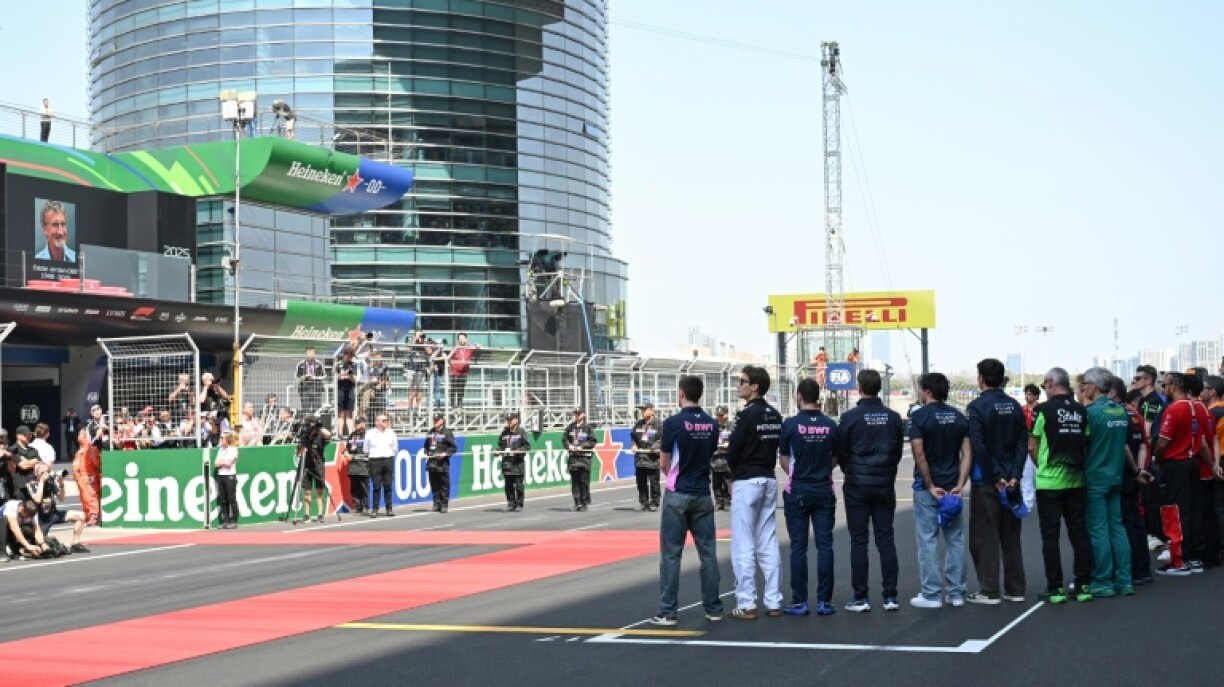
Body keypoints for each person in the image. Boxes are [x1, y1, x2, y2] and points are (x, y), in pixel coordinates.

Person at [648, 376, 724, 626]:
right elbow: (711, 455)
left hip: (678, 492)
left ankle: (668, 611)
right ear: (700, 394)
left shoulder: (673, 423)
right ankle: (713, 608)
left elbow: (663, 462)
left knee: (671, 554)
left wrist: (672, 478)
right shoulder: (713, 425)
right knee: (708, 554)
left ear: (681, 393)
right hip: (703, 492)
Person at [834, 369, 904, 613]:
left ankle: (861, 597)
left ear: (859, 387)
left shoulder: (850, 417)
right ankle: (890, 596)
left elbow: (841, 450)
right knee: (885, 539)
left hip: (857, 483)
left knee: (859, 540)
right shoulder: (893, 417)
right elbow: (896, 452)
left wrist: (850, 469)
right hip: (884, 481)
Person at [966, 358, 1029, 604]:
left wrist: (996, 477)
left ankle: (989, 590)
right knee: (1011, 537)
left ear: (981, 377)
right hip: (1012, 480)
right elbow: (1022, 441)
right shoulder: (1014, 406)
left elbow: (979, 446)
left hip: (988, 481)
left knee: (985, 536)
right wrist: (1014, 475)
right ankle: (1015, 589)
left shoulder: (977, 406)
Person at [1029, 367, 1094, 602]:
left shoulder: (1043, 410)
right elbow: (1086, 441)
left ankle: (1055, 588)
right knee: (1079, 532)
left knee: (1050, 536)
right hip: (1077, 480)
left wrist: (1043, 468)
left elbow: (1032, 446)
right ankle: (1084, 585)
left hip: (1049, 483)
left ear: (1049, 383)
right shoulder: (1081, 410)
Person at [907, 373, 971, 608]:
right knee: (955, 539)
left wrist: (929, 484)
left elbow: (919, 453)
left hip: (929, 488)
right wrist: (961, 484)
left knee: (928, 539)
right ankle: (956, 593)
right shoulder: (958, 417)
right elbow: (967, 453)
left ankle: (932, 594)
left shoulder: (919, 416)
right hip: (952, 487)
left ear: (926, 391)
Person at [726, 364, 784, 619]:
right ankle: (773, 601)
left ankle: (747, 603)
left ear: (755, 387)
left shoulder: (745, 415)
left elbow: (733, 450)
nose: (739, 385)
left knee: (743, 543)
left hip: (747, 481)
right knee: (768, 542)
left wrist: (732, 476)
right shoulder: (774, 414)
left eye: (743, 381)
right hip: (769, 479)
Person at [779, 379, 839, 617]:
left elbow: (783, 458)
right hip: (824, 489)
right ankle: (824, 601)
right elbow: (835, 458)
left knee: (798, 547)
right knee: (825, 546)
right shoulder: (831, 424)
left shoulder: (791, 424)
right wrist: (822, 471)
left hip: (799, 491)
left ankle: (800, 601)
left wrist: (796, 475)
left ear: (799, 396)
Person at [1078, 368, 1136, 597]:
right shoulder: (1120, 411)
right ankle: (1124, 580)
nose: (1082, 388)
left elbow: (1082, 444)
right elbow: (1124, 446)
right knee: (1118, 528)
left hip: (1095, 477)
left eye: (1084, 384)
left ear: (1094, 386)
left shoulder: (1091, 413)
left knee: (1099, 530)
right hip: (1115, 476)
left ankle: (1103, 580)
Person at [1133, 364, 1167, 550]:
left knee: (1152, 497)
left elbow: (1146, 432)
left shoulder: (1153, 402)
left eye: (1137, 379)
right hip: (1148, 454)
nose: (1134, 381)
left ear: (1148, 381)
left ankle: (1158, 535)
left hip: (1151, 456)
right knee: (1147, 497)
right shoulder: (1145, 401)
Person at [30, 463, 89, 553]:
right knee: (41, 544)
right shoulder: (32, 483)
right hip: (40, 519)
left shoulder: (50, 481)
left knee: (81, 516)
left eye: (47, 471)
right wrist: (41, 481)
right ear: (36, 473)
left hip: (53, 514)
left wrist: (61, 484)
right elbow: (37, 500)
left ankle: (75, 543)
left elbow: (61, 498)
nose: (46, 474)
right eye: (42, 472)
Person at [1205, 375, 1224, 565]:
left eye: (1204, 388)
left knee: (1217, 506)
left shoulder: (1211, 413)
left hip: (1219, 461)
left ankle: (1219, 546)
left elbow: (1212, 441)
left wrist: (1214, 464)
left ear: (1212, 392)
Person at [631, 403, 663, 511]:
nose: (643, 412)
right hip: (640, 458)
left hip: (652, 458)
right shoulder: (638, 424)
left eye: (645, 409)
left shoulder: (659, 424)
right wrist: (633, 445)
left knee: (654, 482)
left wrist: (654, 447)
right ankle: (644, 502)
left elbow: (663, 439)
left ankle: (654, 502)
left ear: (651, 411)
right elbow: (633, 437)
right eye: (641, 410)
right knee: (641, 483)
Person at [564, 408, 596, 511]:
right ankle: (577, 502)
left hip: (584, 459)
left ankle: (584, 502)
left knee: (584, 481)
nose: (577, 416)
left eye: (579, 414)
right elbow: (564, 439)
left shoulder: (588, 428)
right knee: (575, 482)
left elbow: (592, 441)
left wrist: (582, 446)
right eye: (576, 414)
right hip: (573, 458)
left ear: (583, 415)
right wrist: (568, 445)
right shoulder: (571, 427)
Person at [367, 413, 398, 517]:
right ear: (378, 422)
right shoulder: (370, 433)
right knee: (376, 486)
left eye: (387, 420)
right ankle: (375, 508)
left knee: (388, 485)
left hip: (388, 460)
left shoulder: (391, 433)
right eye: (384, 420)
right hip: (375, 461)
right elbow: (365, 449)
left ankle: (389, 508)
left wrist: (389, 455)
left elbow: (395, 448)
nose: (386, 422)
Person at [497, 413, 531, 511]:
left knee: (519, 485)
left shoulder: (521, 432)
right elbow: (500, 445)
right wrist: (498, 450)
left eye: (510, 420)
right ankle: (511, 503)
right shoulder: (504, 432)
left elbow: (527, 446)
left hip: (517, 463)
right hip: (507, 463)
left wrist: (519, 451)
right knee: (508, 485)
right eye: (507, 420)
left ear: (516, 420)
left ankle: (519, 503)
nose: (509, 422)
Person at [425, 413, 457, 513]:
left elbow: (453, 448)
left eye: (437, 420)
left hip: (442, 463)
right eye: (434, 420)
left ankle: (444, 504)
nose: (435, 422)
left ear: (442, 421)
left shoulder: (447, 433)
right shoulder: (431, 432)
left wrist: (445, 453)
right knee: (434, 484)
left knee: (444, 484)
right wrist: (425, 453)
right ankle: (436, 503)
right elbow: (426, 446)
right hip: (432, 463)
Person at [72, 427, 102, 526]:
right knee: (84, 497)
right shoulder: (81, 449)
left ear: (85, 435)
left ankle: (94, 515)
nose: (78, 437)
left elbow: (96, 463)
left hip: (88, 477)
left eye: (79, 434)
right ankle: (88, 514)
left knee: (90, 496)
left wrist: (94, 475)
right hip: (81, 478)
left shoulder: (90, 448)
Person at [213, 431, 240, 529]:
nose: (221, 440)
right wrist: (223, 462)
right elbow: (216, 463)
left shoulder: (233, 450)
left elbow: (229, 464)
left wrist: (222, 462)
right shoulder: (220, 450)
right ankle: (226, 520)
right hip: (221, 476)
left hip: (230, 476)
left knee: (231, 499)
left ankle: (234, 520)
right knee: (223, 500)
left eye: (222, 438)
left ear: (227, 440)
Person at [448, 333, 480, 410]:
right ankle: (453, 404)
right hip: (454, 371)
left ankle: (460, 404)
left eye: (463, 338)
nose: (461, 340)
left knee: (461, 388)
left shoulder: (469, 348)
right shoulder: (455, 348)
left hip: (464, 372)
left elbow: (478, 346)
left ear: (466, 339)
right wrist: (451, 366)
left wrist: (478, 345)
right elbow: (449, 357)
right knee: (453, 388)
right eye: (460, 338)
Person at [710, 406, 733, 510]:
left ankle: (727, 501)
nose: (720, 417)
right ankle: (719, 502)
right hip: (715, 459)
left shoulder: (732, 425)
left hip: (727, 459)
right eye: (718, 415)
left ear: (726, 414)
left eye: (721, 415)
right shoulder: (713, 425)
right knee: (716, 483)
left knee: (727, 481)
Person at [346, 418, 370, 515]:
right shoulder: (352, 435)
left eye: (359, 423)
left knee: (363, 486)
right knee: (354, 486)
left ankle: (365, 505)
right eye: (356, 423)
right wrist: (346, 453)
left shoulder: (368, 435)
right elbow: (347, 448)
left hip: (363, 463)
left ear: (363, 424)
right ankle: (357, 505)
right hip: (353, 464)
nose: (357, 425)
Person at [335, 348, 358, 438]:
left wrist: (350, 375)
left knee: (349, 414)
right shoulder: (338, 365)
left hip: (350, 391)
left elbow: (355, 380)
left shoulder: (354, 365)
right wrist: (340, 375)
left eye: (351, 357)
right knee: (341, 414)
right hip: (340, 391)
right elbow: (335, 379)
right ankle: (339, 433)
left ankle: (350, 434)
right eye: (349, 356)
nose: (350, 358)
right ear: (345, 355)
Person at [296, 347, 325, 414]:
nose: (310, 354)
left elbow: (323, 376)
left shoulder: (319, 364)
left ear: (314, 354)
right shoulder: (300, 365)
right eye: (308, 352)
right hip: (305, 388)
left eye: (312, 352)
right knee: (305, 409)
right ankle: (305, 423)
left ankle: (317, 423)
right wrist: (302, 377)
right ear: (306, 353)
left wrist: (315, 377)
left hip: (316, 388)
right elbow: (297, 376)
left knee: (317, 409)